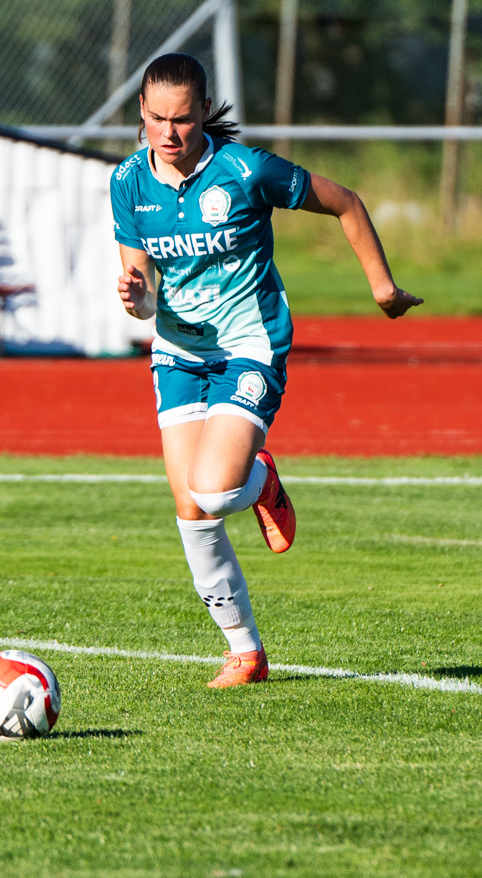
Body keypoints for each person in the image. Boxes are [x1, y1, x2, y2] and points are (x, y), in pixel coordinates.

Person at [111, 52, 422, 688]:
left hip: (249, 343)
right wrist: (137, 298)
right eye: (156, 119)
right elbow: (140, 290)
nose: (169, 133)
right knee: (191, 509)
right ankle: (246, 654)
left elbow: (345, 202)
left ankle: (260, 480)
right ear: (140, 111)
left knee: (215, 491)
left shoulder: (246, 171)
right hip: (178, 352)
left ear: (205, 111)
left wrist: (383, 288)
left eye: (183, 119)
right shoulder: (127, 181)